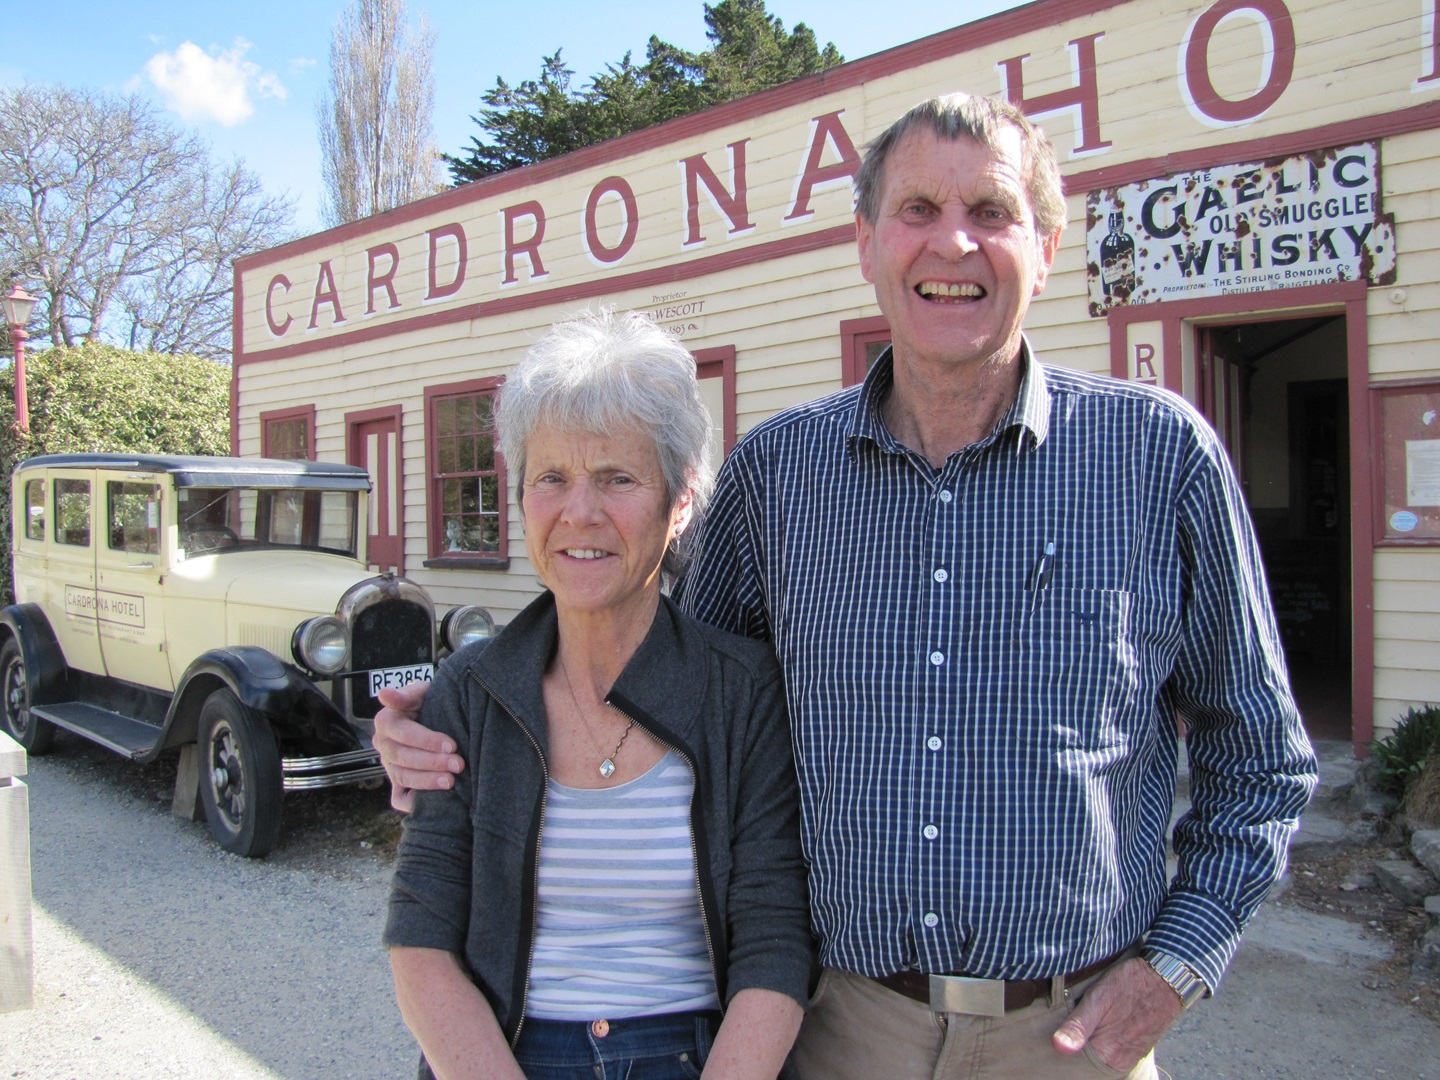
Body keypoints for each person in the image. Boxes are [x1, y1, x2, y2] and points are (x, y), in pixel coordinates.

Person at [377, 94, 1319, 1079]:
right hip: (836, 1033)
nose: (951, 243)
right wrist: (452, 729)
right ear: (866, 239)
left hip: (1071, 1038)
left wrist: (1174, 965)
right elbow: (654, 673)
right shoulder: (779, 477)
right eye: (916, 209)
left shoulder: (1158, 459)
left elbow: (1262, 765)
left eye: (991, 213)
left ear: (1045, 243)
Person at [382, 310, 811, 1080]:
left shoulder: (742, 692)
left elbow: (774, 948)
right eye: (552, 478)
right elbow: (422, 941)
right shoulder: (470, 695)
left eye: (618, 478)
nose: (580, 512)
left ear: (679, 502)